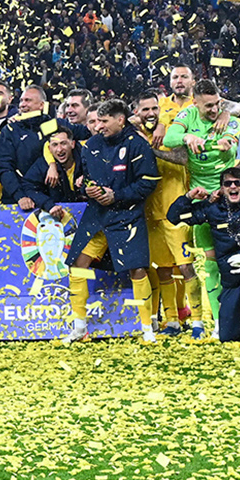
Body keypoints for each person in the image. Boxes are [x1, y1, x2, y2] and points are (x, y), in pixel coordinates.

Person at [33, 100, 160, 344]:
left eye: (104, 121)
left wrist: (117, 195)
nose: (98, 126)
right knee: (78, 264)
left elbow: (149, 181)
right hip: (97, 215)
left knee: (137, 269)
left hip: (127, 215)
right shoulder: (91, 145)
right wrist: (88, 189)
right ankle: (79, 327)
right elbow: (87, 179)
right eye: (97, 121)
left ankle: (147, 329)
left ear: (120, 120)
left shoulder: (137, 144)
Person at [162, 80, 240, 335]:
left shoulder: (229, 120)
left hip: (232, 198)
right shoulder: (188, 115)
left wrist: (225, 138)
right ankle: (219, 322)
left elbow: (229, 142)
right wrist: (187, 136)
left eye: (217, 104)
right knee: (211, 263)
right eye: (208, 106)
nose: (214, 109)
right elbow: (169, 138)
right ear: (194, 103)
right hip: (203, 202)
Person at [166, 167, 240, 343]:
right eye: (228, 184)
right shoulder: (213, 209)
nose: (233, 187)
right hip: (232, 279)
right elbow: (173, 217)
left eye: (238, 183)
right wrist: (189, 197)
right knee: (227, 336)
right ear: (222, 188)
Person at [133, 91, 197, 335]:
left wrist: (152, 150)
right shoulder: (134, 133)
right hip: (150, 212)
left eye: (154, 109)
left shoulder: (172, 131)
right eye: (145, 110)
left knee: (186, 267)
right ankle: (171, 320)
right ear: (137, 112)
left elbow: (182, 158)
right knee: (162, 268)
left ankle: (198, 321)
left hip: (176, 209)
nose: (150, 114)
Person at [0, 85, 51, 204]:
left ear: (41, 105)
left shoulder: (51, 126)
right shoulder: (10, 130)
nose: (22, 104)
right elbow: (5, 166)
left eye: (28, 100)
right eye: (21, 100)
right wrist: (19, 196)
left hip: (50, 197)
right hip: (18, 201)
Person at [157, 62, 196, 127]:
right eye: (175, 77)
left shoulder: (201, 103)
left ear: (193, 82)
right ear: (170, 83)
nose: (179, 81)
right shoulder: (160, 104)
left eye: (184, 77)